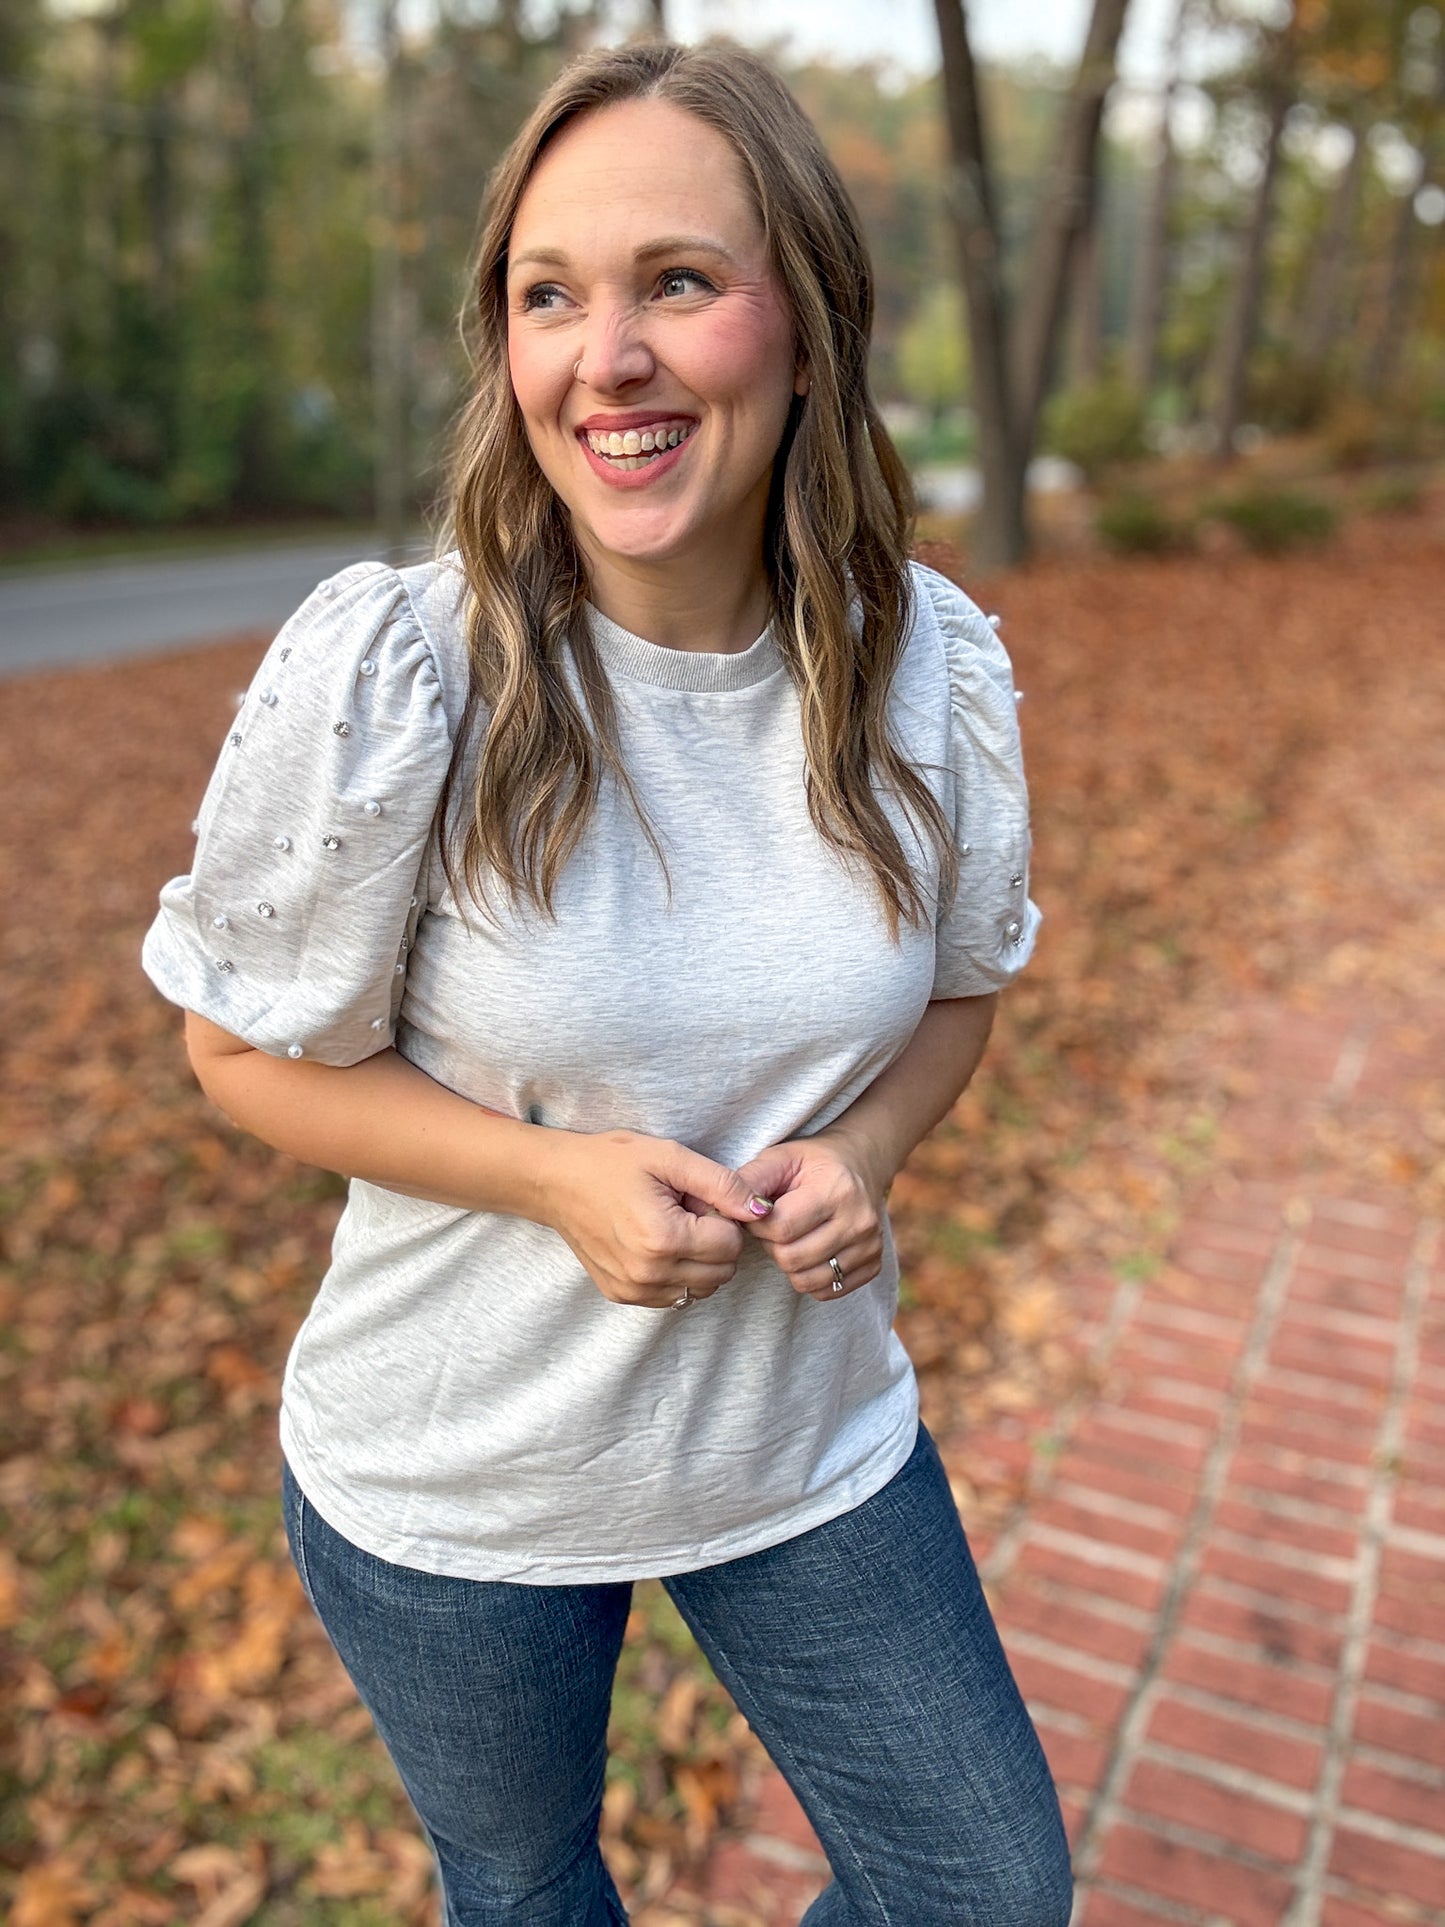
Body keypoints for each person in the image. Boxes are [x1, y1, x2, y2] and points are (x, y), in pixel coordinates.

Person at [142, 38, 1069, 1927]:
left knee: (979, 1888)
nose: (606, 357)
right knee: (526, 1886)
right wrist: (552, 1175)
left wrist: (872, 1147)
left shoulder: (930, 670)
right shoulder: (401, 670)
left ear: (804, 328)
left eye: (676, 283)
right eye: (546, 296)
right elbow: (232, 1050)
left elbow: (964, 990)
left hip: (800, 1446)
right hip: (455, 1476)